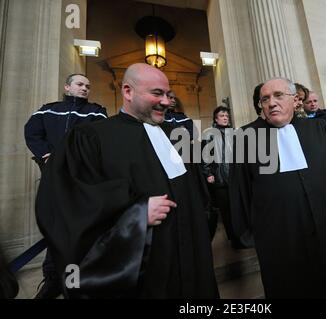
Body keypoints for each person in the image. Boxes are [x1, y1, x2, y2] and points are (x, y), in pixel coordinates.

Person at [35, 63, 218, 299]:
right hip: (141, 270)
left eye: (167, 94)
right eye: (156, 93)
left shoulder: (176, 136)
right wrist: (136, 215)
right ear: (128, 92)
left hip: (189, 259)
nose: (166, 101)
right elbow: (67, 205)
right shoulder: (90, 137)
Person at [230, 77, 326, 298]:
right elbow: (240, 188)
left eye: (278, 95)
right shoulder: (245, 136)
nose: (271, 103)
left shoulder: (320, 128)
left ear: (296, 100)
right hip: (279, 235)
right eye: (265, 99)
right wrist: (247, 232)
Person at [24, 73, 107, 299]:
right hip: (52, 179)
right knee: (55, 229)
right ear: (67, 86)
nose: (84, 89)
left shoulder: (96, 111)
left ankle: (76, 281)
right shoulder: (48, 109)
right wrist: (47, 155)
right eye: (80, 84)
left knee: (80, 232)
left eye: (88, 86)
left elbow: (100, 141)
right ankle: (52, 280)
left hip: (82, 181)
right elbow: (32, 133)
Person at [202, 106, 242, 248]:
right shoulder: (209, 134)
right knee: (226, 210)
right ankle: (233, 238)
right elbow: (205, 155)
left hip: (234, 176)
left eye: (226, 115)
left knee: (237, 207)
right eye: (222, 115)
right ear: (215, 118)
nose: (225, 117)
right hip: (219, 177)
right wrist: (208, 173)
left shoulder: (234, 132)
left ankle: (240, 234)